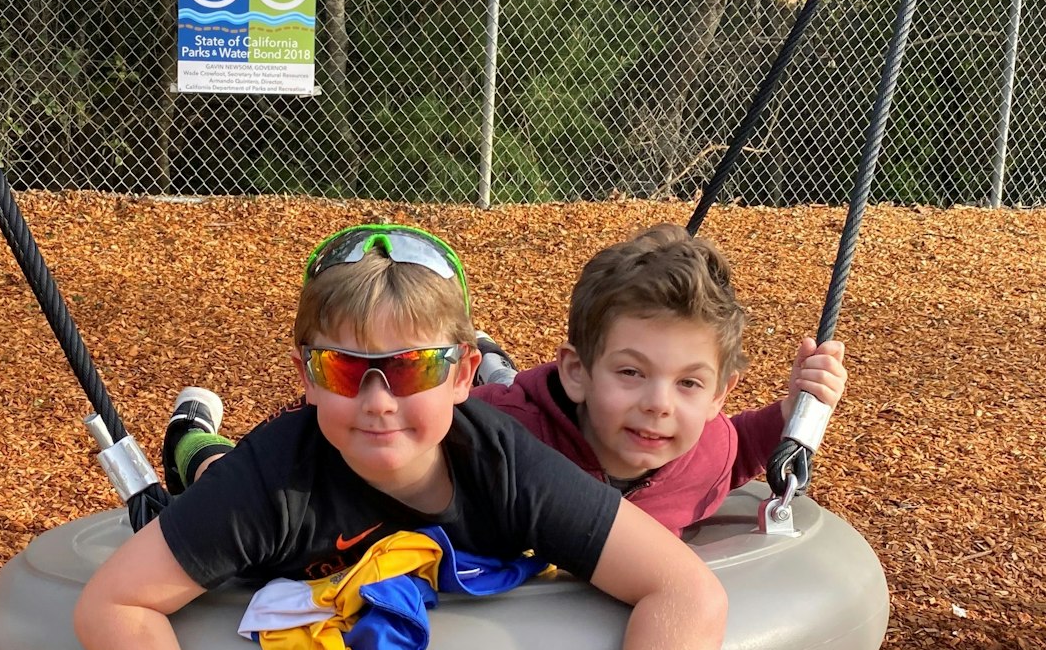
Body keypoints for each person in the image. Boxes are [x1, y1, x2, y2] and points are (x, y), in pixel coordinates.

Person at [75, 226, 728, 650]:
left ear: (464, 375)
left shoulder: (502, 465)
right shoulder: (274, 482)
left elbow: (685, 592)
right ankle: (191, 434)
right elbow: (113, 605)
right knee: (212, 478)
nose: (377, 401)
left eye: (412, 368)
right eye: (343, 366)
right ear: (307, 374)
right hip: (268, 506)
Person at [163, 223, 847, 538]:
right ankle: (191, 436)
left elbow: (749, 450)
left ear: (719, 396)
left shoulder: (710, 448)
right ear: (580, 372)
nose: (659, 406)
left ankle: (488, 352)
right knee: (229, 469)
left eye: (690, 385)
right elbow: (395, 438)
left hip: (538, 398)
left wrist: (796, 413)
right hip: (507, 402)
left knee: (505, 380)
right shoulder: (499, 439)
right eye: (633, 373)